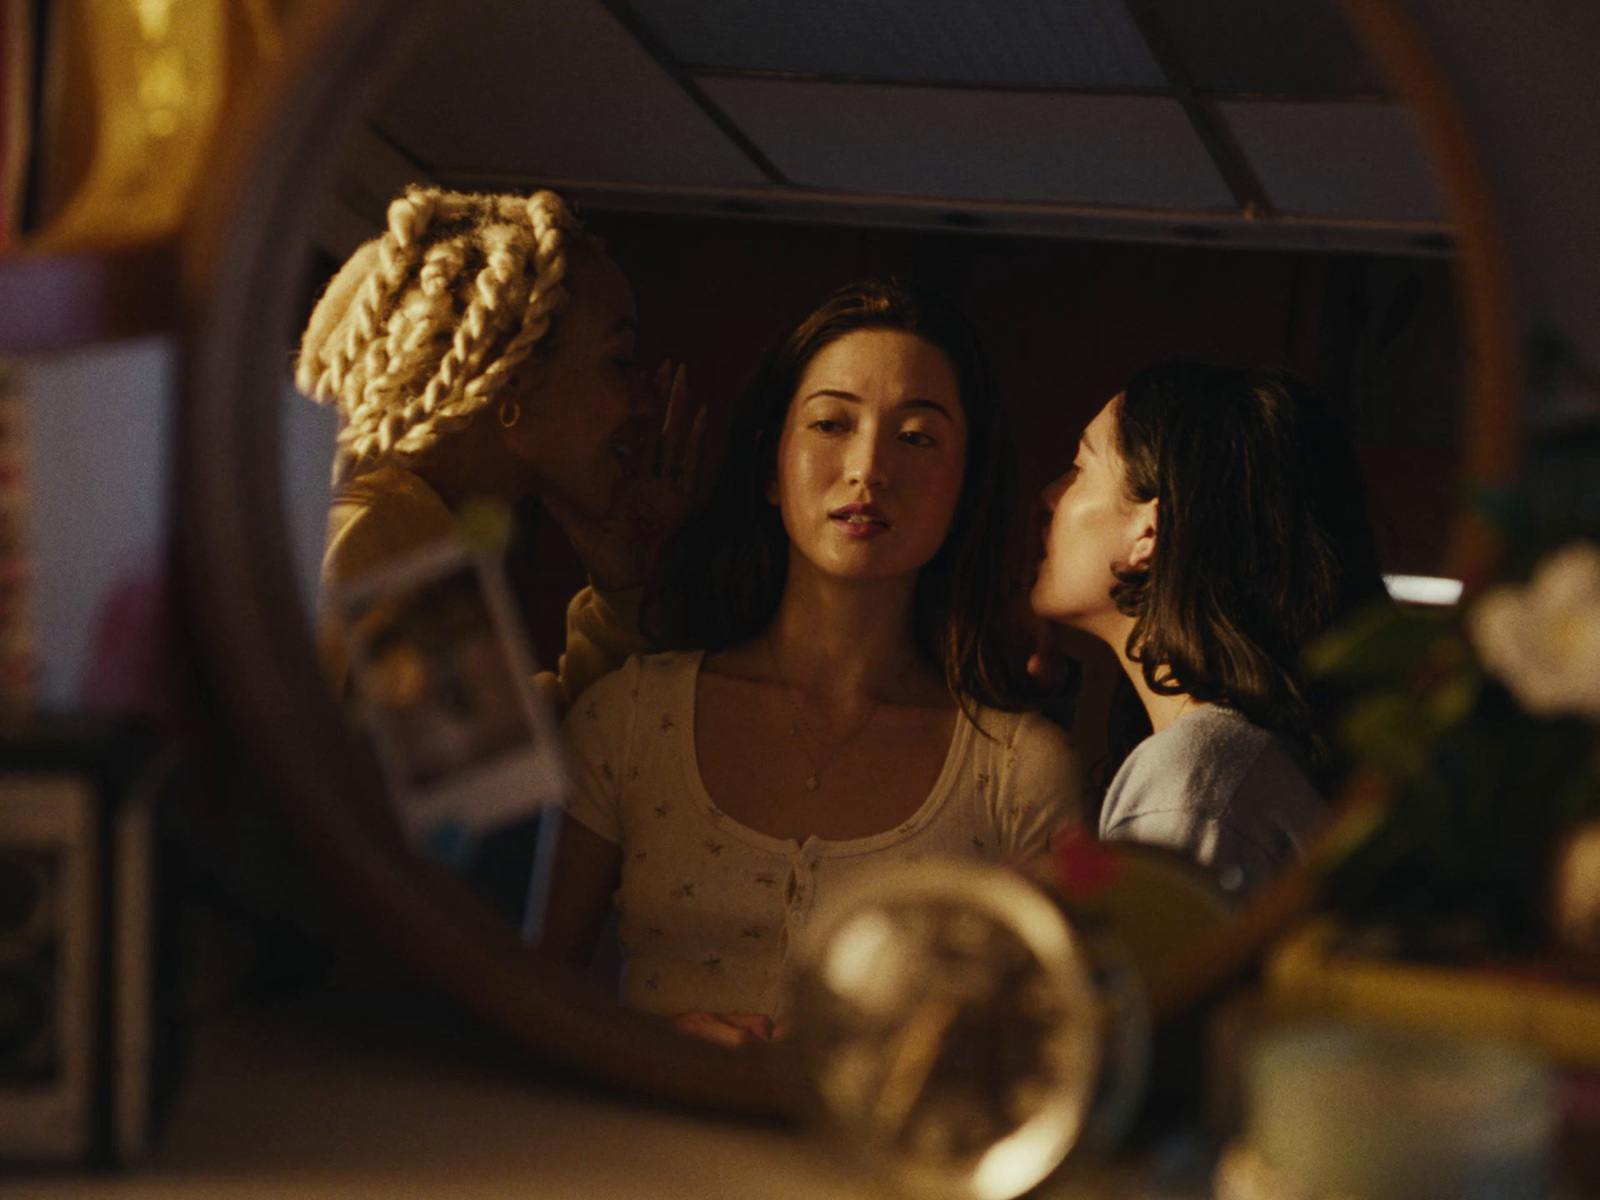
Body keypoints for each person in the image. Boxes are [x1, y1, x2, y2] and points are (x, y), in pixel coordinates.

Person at [538, 280, 1081, 1046]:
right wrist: (652, 1043)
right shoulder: (630, 718)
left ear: (965, 485)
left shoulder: (1018, 770)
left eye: (918, 437)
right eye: (831, 423)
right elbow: (522, 995)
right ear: (772, 466)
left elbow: (1059, 1046)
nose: (869, 468)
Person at [296, 185, 700, 710]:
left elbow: (514, 777)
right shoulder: (381, 540)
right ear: (510, 382)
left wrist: (620, 598)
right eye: (619, 361)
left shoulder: (405, 530)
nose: (642, 404)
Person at [1030, 360, 1387, 897]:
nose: (1051, 496)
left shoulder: (1195, 781)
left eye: (1079, 468)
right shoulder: (1227, 764)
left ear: (1149, 530)